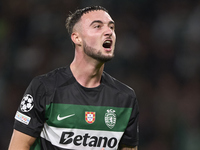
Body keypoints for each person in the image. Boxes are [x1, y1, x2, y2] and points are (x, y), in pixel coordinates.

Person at [8, 6, 139, 150]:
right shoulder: (44, 88)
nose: (109, 32)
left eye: (112, 27)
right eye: (97, 26)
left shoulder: (125, 98)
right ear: (77, 38)